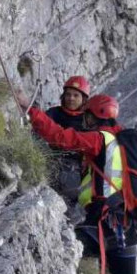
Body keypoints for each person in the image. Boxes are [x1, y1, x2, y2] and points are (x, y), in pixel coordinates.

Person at [17, 93, 137, 274]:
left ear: (94, 116)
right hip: (128, 226)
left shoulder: (99, 139)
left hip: (104, 224)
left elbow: (60, 137)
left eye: (86, 115)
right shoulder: (124, 141)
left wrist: (30, 110)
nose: (84, 119)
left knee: (59, 250)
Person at [44, 76, 92, 205]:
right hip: (49, 157)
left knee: (70, 194)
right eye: (68, 94)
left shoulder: (88, 121)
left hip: (74, 166)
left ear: (83, 99)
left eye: (76, 95)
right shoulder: (54, 113)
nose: (71, 98)